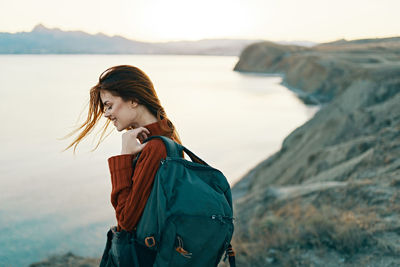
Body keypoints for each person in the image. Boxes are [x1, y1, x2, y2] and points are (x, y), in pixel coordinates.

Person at [64, 64, 183, 266]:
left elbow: (126, 221)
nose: (106, 114)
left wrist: (124, 157)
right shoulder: (165, 135)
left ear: (134, 100)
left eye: (109, 105)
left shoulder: (155, 148)